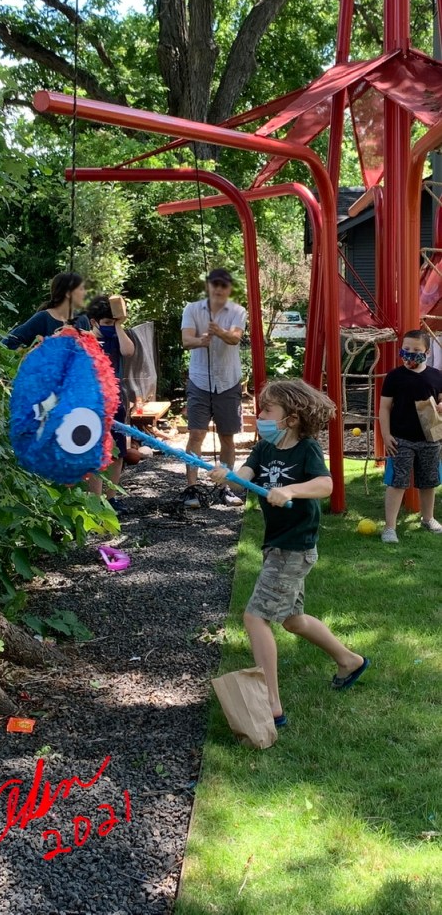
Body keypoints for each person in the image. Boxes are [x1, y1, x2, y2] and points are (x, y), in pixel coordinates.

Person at [210, 378, 370, 726]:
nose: (261, 414)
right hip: (277, 546)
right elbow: (244, 477)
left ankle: (271, 703)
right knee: (292, 620)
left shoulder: (306, 449)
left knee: (255, 617)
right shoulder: (264, 448)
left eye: (268, 409)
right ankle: (349, 660)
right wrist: (227, 475)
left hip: (294, 547)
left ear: (291, 418)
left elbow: (325, 485)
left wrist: (292, 490)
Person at [181, 267, 247, 509]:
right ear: (208, 286)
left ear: (229, 288)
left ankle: (224, 487)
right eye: (214, 285)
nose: (219, 289)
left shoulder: (238, 311)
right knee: (196, 434)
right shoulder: (191, 309)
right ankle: (192, 488)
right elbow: (186, 340)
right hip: (199, 380)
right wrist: (201, 340)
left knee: (227, 437)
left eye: (224, 285)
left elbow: (235, 338)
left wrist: (219, 331)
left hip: (228, 381)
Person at [379, 329, 442, 543]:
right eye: (406, 349)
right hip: (400, 439)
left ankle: (428, 518)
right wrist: (386, 435)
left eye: (416, 350)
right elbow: (384, 408)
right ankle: (389, 527)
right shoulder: (394, 377)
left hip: (430, 439)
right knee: (397, 482)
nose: (410, 354)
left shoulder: (436, 375)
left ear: (426, 352)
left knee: (428, 481)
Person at [85, 294, 135, 515]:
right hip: (92, 402)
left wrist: (118, 327)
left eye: (111, 322)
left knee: (117, 452)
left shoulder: (117, 337)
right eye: (105, 323)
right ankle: (95, 501)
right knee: (95, 453)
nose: (109, 327)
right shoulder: (86, 339)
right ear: (94, 321)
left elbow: (128, 351)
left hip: (115, 400)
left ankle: (111, 498)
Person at [2, 272, 90, 349]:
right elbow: (8, 342)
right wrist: (31, 355)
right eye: (81, 289)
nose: (85, 293)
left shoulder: (82, 320)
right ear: (68, 293)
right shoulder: (43, 318)